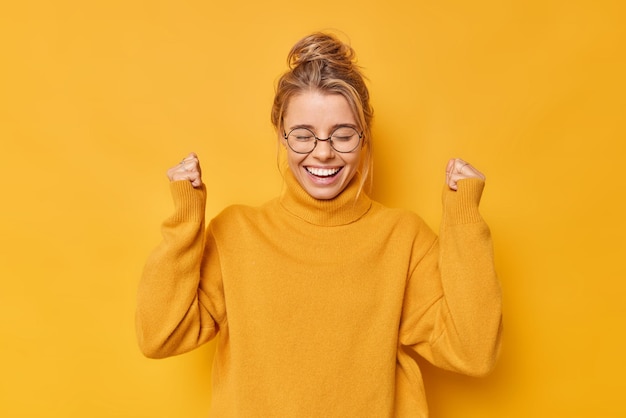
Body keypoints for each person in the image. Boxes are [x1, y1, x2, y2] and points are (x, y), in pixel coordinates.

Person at [136, 31, 502, 418]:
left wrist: (464, 218)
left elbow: (474, 352)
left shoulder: (403, 238)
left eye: (342, 135)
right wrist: (185, 219)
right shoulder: (236, 234)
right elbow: (160, 336)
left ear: (363, 138)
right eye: (303, 135)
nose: (323, 152)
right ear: (281, 134)